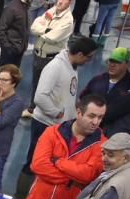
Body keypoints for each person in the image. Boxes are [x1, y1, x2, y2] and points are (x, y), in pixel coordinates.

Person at [24, 36, 98, 173]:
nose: (90, 61)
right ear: (80, 54)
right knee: (35, 162)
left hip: (58, 124)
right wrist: (57, 112)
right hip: (45, 124)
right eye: (89, 57)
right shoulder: (55, 67)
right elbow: (40, 97)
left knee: (48, 163)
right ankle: (23, 191)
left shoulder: (72, 67)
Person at [25, 0, 73, 115]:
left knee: (47, 88)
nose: (60, 1)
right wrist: (47, 30)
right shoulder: (51, 11)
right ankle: (32, 109)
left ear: (70, 2)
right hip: (38, 55)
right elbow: (33, 27)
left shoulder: (68, 20)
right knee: (35, 84)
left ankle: (44, 113)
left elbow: (52, 37)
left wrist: (42, 29)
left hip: (51, 58)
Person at [79, 47, 130, 111]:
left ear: (127, 64)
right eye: (111, 61)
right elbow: (82, 99)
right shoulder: (97, 80)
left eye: (117, 62)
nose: (112, 65)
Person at [0, 0, 29, 73]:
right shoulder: (12, 8)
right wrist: (8, 48)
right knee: (2, 76)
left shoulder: (24, 7)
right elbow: (0, 30)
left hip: (18, 49)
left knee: (12, 76)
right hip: (11, 50)